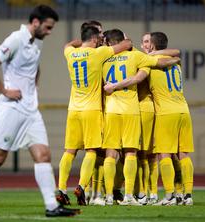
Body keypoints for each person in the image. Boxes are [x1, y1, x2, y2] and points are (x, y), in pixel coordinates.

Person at [0, 5, 80, 217]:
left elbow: (35, 68)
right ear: (36, 22)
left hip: (31, 110)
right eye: (48, 27)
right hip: (12, 108)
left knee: (43, 155)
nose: (49, 32)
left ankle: (52, 207)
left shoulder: (35, 43)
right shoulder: (16, 39)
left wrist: (34, 88)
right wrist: (5, 90)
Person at [104, 32, 194, 206]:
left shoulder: (147, 62)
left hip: (163, 112)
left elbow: (138, 78)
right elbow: (177, 52)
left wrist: (113, 86)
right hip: (183, 109)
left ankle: (165, 195)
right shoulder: (175, 61)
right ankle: (186, 194)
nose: (144, 45)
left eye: (147, 42)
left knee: (158, 155)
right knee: (182, 154)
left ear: (152, 45)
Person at [60, 26, 132, 206]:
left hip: (73, 109)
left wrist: (81, 41)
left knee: (69, 151)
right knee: (91, 150)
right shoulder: (98, 53)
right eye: (99, 37)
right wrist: (124, 39)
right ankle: (82, 186)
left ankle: (61, 188)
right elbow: (126, 44)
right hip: (91, 110)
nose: (101, 39)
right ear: (93, 39)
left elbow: (68, 44)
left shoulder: (70, 53)